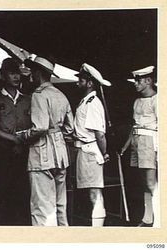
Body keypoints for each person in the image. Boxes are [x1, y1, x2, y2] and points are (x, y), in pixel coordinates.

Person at [18, 56, 74, 226]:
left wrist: (22, 135)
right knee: (60, 206)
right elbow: (70, 128)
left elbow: (40, 127)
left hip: (42, 154)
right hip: (61, 154)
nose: (31, 75)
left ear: (38, 73)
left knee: (42, 208)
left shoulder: (38, 95)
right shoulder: (61, 95)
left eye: (33, 71)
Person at [0, 58, 31, 225]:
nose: (16, 77)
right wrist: (13, 140)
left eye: (17, 73)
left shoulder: (27, 99)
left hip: (23, 154)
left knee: (22, 194)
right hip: (3, 154)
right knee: (1, 194)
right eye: (11, 73)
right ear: (4, 76)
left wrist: (21, 142)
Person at [73, 63, 111, 227]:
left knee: (95, 193)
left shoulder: (93, 102)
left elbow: (100, 134)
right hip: (85, 150)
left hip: (90, 150)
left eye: (81, 80)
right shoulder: (86, 101)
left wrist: (104, 153)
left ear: (89, 83)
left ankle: (97, 232)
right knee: (92, 193)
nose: (77, 83)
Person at [121, 66, 157, 227]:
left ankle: (160, 222)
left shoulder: (158, 100)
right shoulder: (136, 101)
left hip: (150, 142)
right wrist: (125, 146)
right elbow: (134, 126)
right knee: (144, 183)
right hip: (137, 142)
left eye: (138, 80)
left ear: (148, 81)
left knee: (151, 183)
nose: (135, 83)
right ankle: (148, 219)